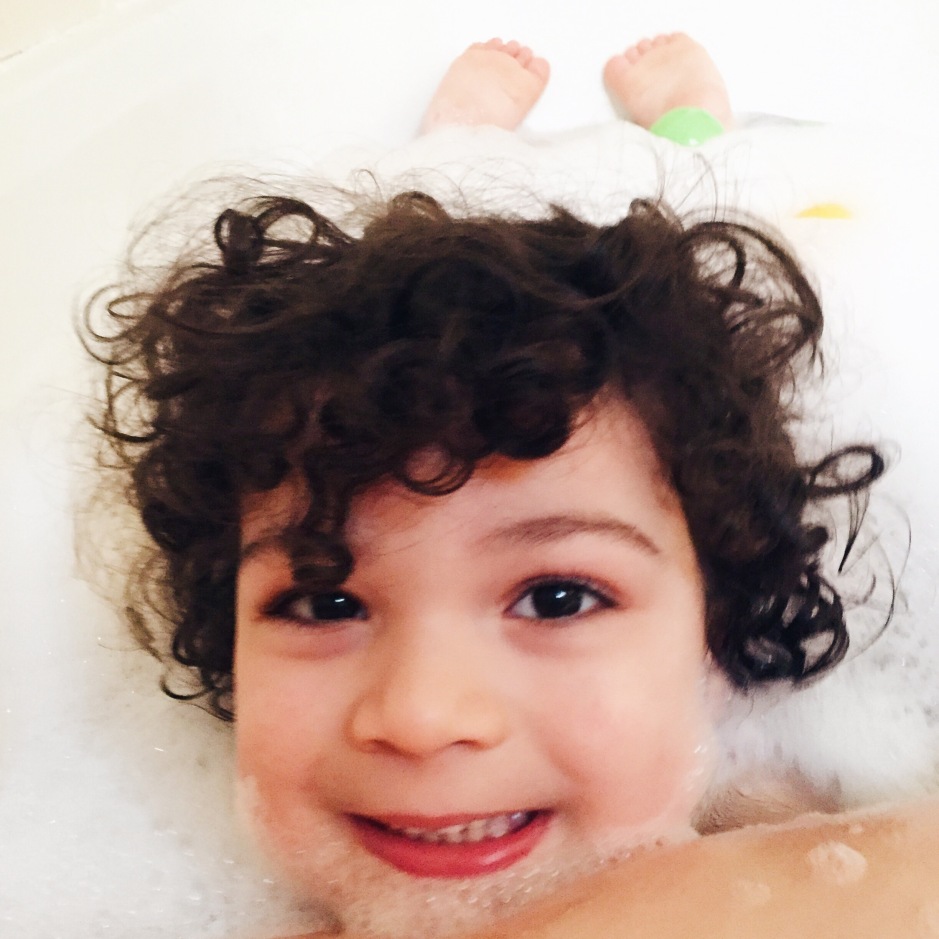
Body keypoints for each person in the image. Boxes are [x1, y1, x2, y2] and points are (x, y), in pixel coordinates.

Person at [83, 33, 931, 939]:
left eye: (556, 596)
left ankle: (682, 137)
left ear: (717, 634)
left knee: (709, 225)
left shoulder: (783, 810)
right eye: (324, 600)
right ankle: (451, 158)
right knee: (431, 259)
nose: (421, 715)